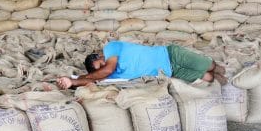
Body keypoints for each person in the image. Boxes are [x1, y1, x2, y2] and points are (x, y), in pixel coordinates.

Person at [56, 41, 225, 89]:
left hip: (171, 54)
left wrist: (77, 80)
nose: (103, 70)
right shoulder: (107, 76)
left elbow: (107, 70)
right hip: (170, 70)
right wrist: (72, 82)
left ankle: (229, 78)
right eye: (99, 70)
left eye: (100, 64)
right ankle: (226, 84)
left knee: (209, 66)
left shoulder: (110, 48)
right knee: (207, 77)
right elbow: (91, 80)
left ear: (99, 56)